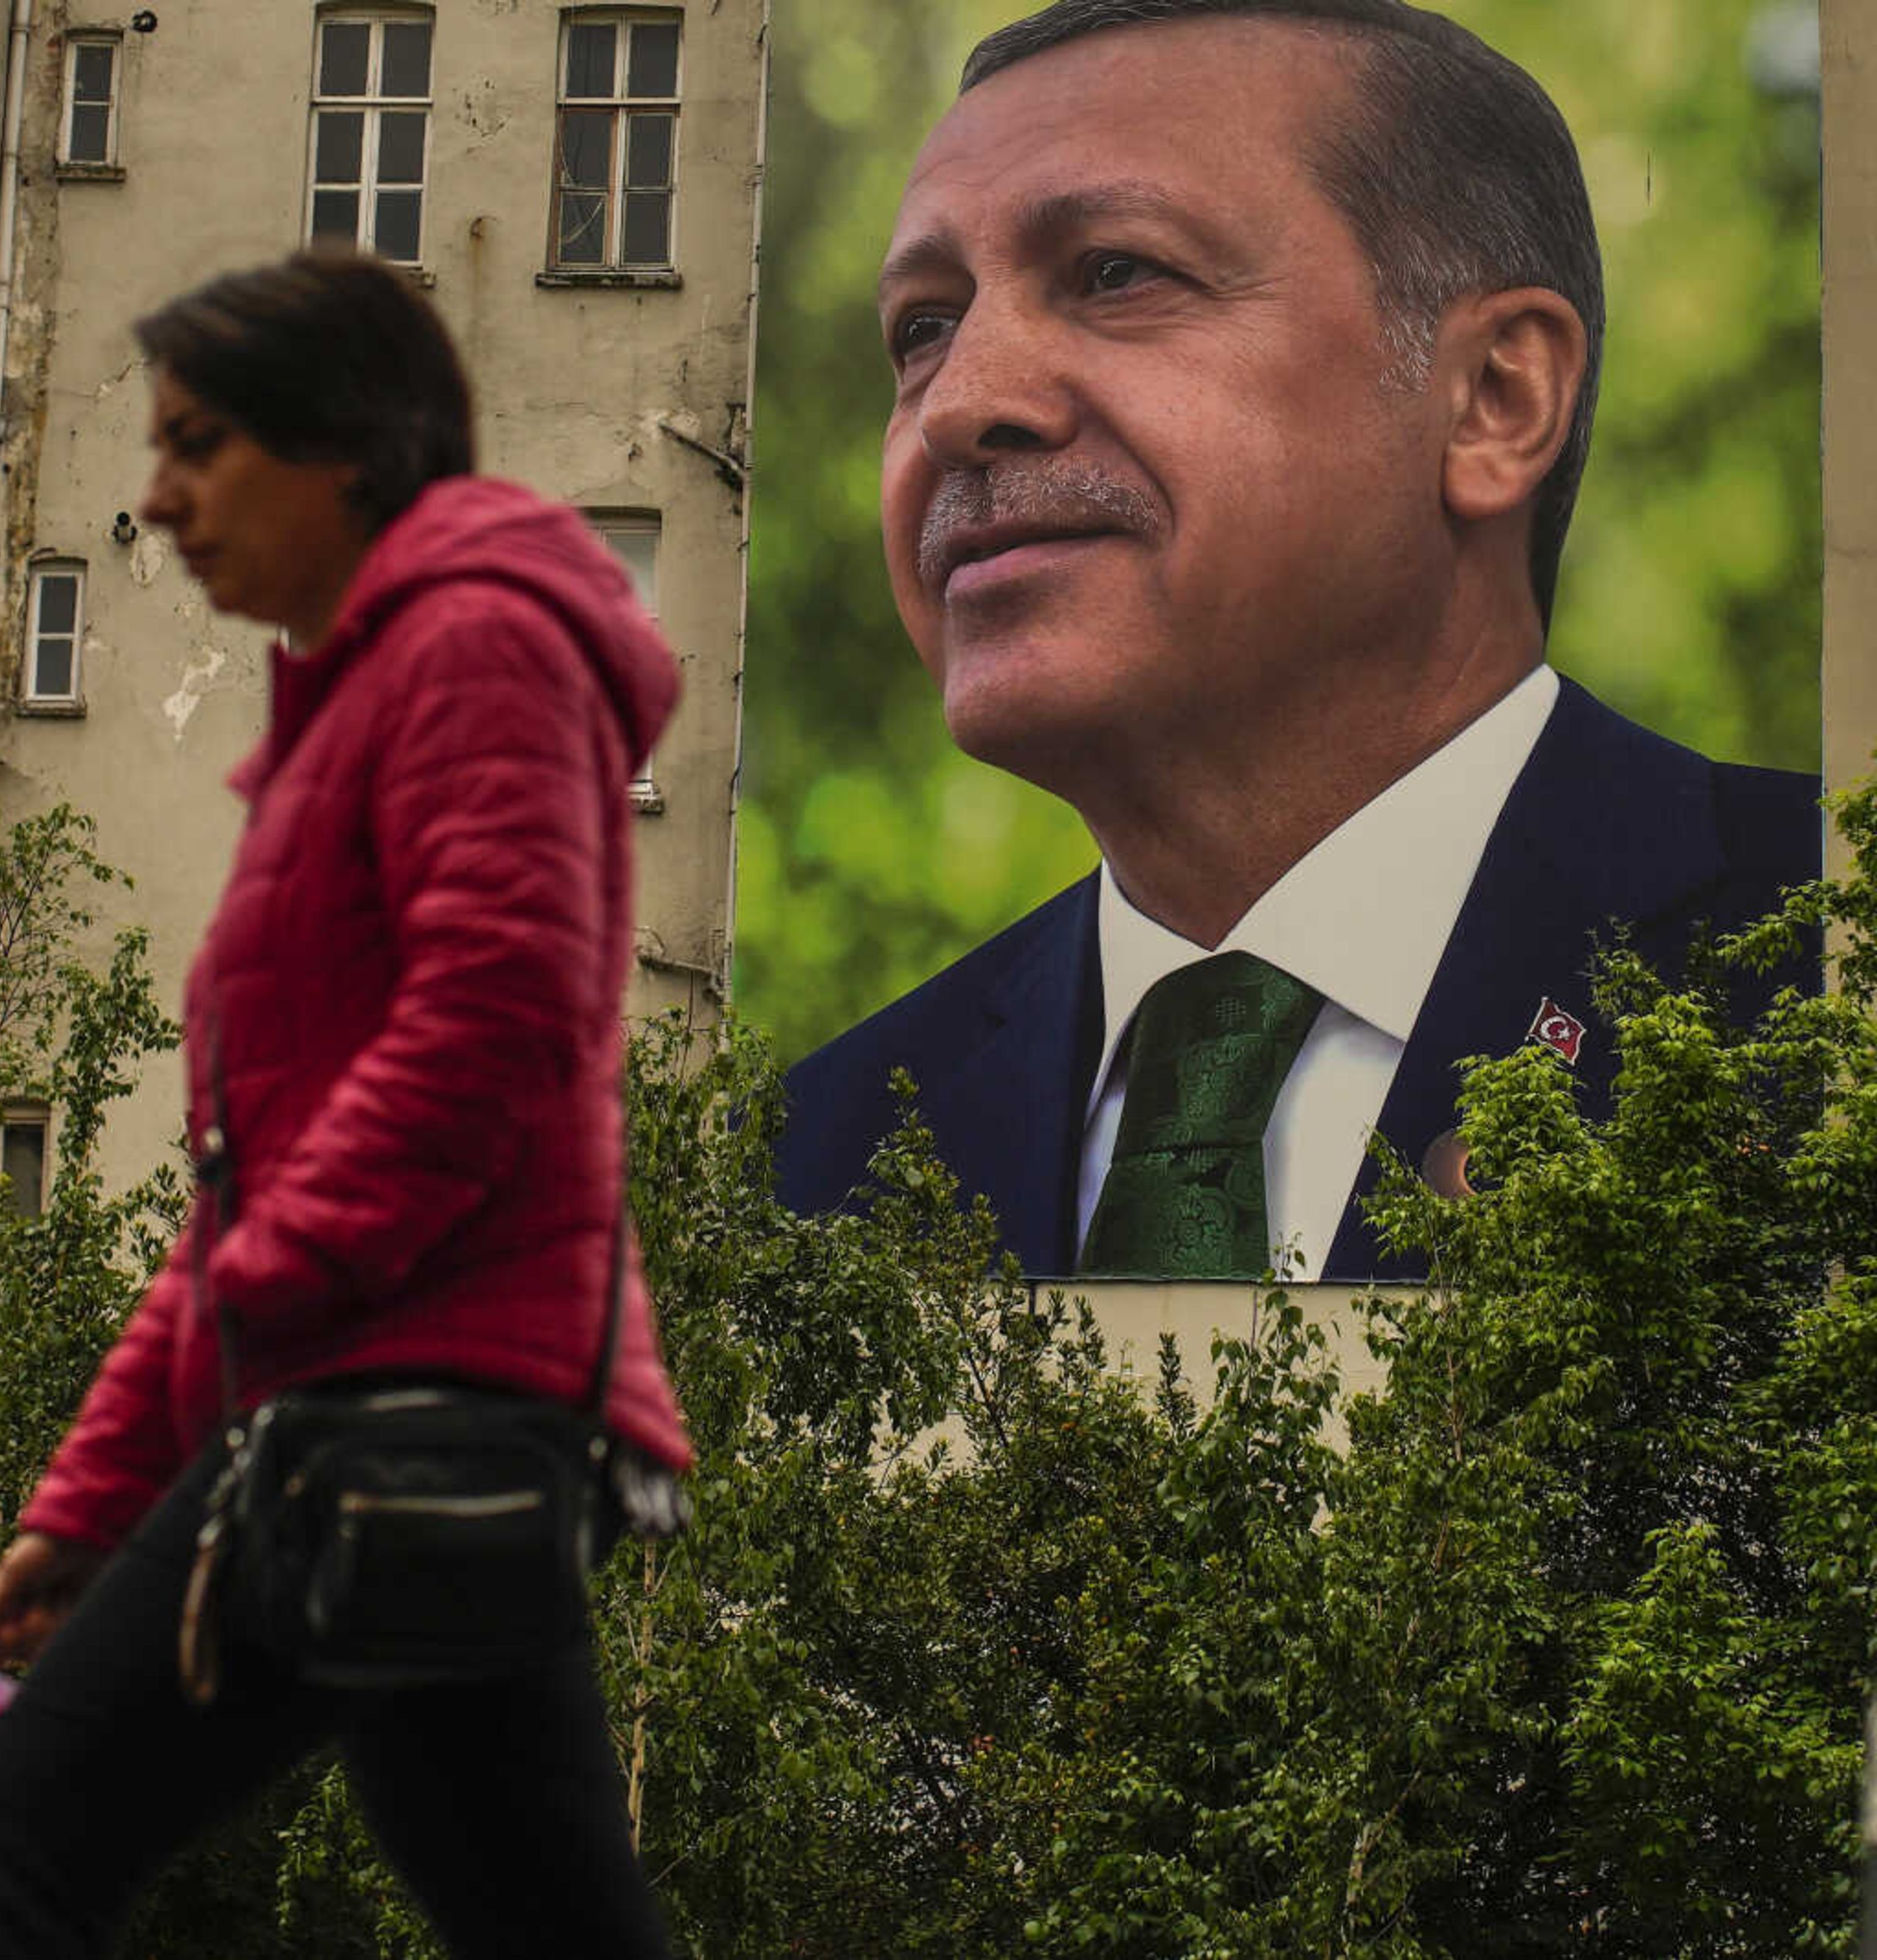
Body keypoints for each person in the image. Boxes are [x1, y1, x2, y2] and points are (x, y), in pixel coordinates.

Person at [774, 0, 1820, 1281]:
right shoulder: (794, 1181)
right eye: (924, 327)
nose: (961, 405)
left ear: (1494, 399)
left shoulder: (1832, 969)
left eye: (1117, 272)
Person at [0, 251, 690, 1957]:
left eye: (199, 444)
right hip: (386, 1410)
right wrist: (83, 1505)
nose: (159, 498)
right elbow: (236, 1195)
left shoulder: (476, 650)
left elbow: (496, 1014)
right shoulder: (364, 696)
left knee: (13, 1838)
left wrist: (266, 1300)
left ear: (344, 446)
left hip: (402, 1408)